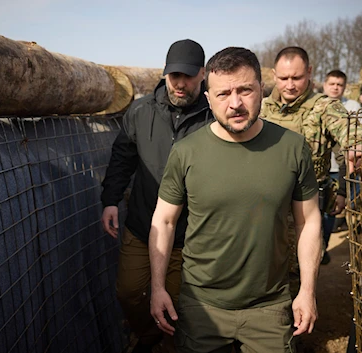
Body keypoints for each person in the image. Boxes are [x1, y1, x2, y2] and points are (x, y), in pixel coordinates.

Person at [149, 47, 322, 353]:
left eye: (245, 90)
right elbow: (163, 221)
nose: (235, 103)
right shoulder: (186, 152)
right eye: (223, 93)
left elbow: (308, 220)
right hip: (201, 306)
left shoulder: (293, 148)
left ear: (262, 90)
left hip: (269, 306)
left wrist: (307, 291)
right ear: (208, 99)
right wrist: (158, 286)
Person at [100, 39, 211, 352]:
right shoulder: (140, 112)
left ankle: (172, 342)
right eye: (174, 75)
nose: (180, 83)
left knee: (177, 304)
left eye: (188, 76)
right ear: (165, 74)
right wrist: (110, 199)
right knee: (128, 293)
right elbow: (122, 158)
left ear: (202, 74)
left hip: (187, 234)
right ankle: (147, 334)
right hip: (142, 223)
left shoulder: (212, 118)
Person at [260, 47, 362, 268]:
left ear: (309, 72)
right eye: (283, 78)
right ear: (273, 74)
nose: (290, 85)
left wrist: (356, 144)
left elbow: (347, 127)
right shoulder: (263, 108)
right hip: (267, 205)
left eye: (296, 77)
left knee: (301, 269)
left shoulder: (324, 106)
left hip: (306, 206)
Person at [322, 69, 359, 233]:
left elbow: (356, 140)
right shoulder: (315, 106)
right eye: (332, 84)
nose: (335, 88)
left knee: (332, 209)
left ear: (344, 87)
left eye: (339, 84)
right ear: (324, 85)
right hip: (319, 169)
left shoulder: (352, 107)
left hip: (340, 168)